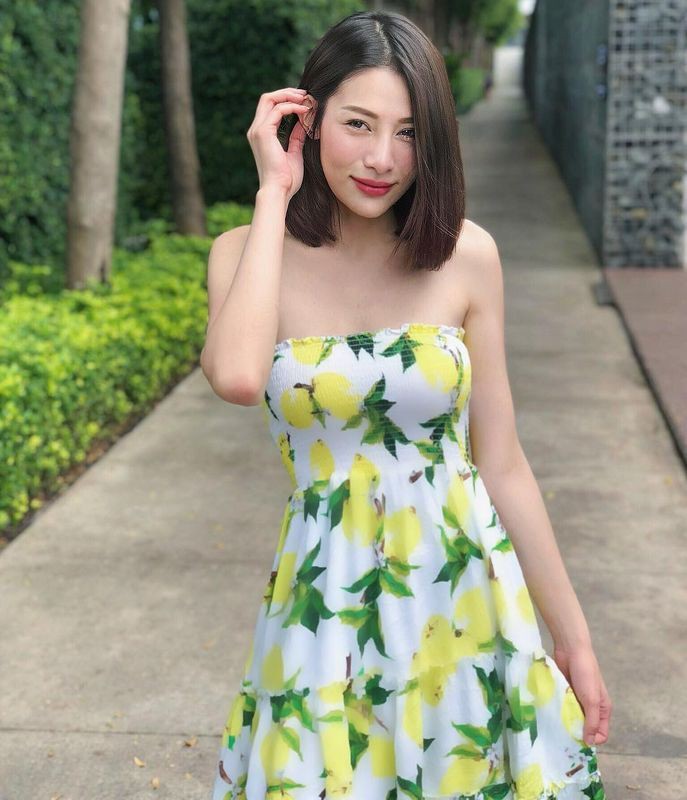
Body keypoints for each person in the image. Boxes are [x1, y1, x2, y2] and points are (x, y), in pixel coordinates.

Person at [202, 9, 611, 799]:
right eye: (357, 124)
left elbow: (502, 464)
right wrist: (273, 193)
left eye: (409, 133)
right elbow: (238, 378)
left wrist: (574, 638)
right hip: (324, 606)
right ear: (306, 119)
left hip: (463, 599)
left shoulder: (466, 256)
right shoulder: (245, 255)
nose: (381, 159)